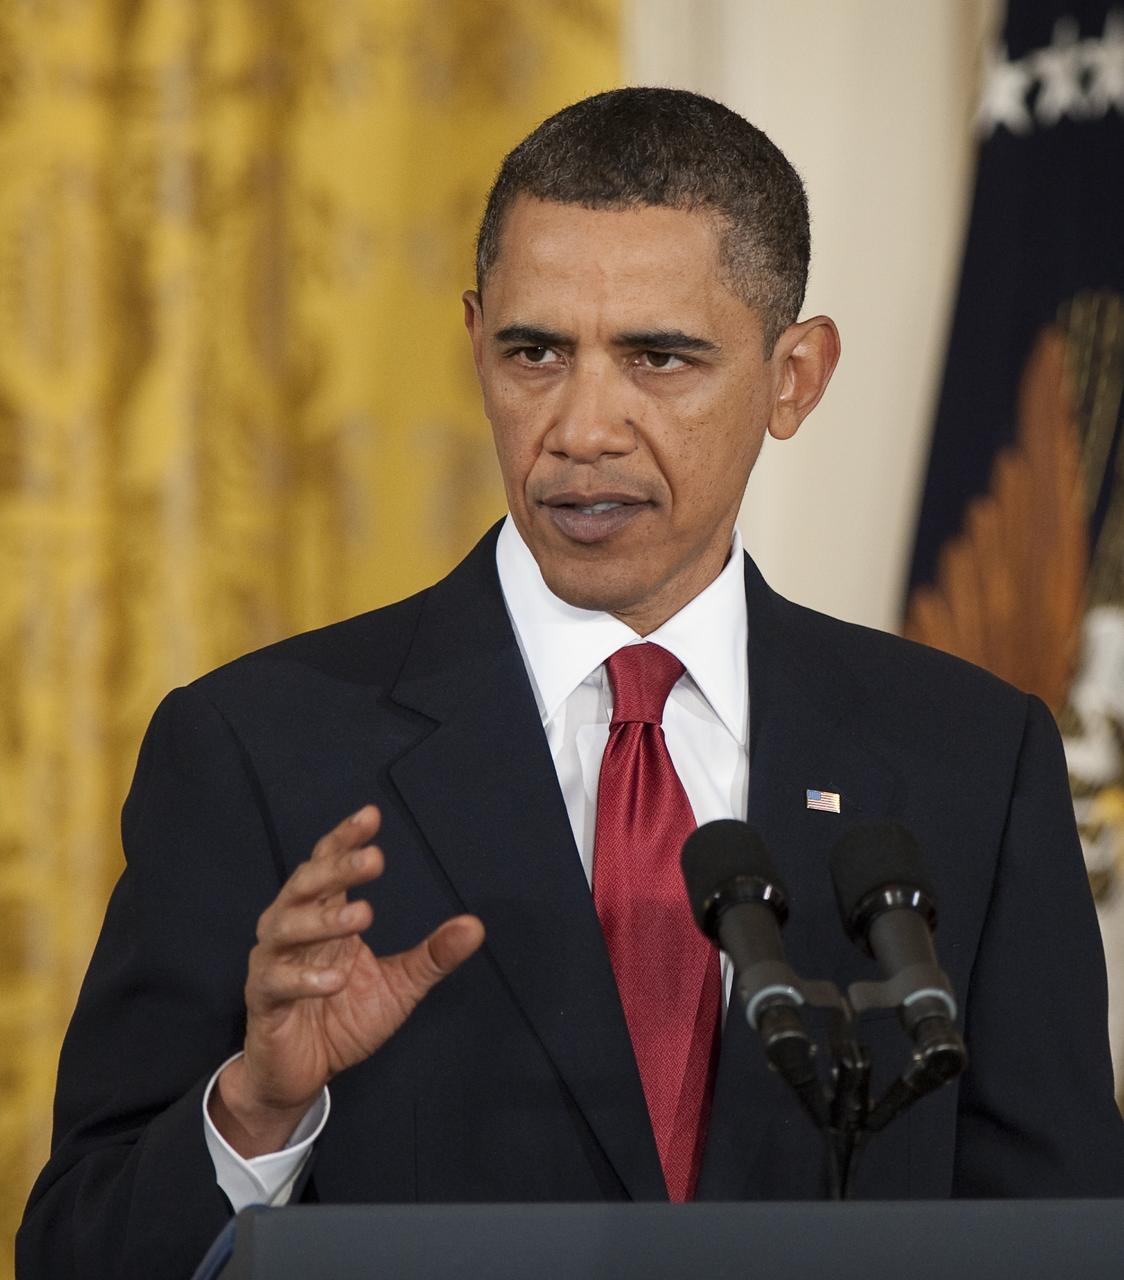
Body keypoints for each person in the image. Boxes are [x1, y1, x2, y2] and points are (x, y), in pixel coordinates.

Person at [17, 87, 1124, 1280]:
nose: (582, 427)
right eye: (534, 352)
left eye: (657, 357)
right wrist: (254, 1110)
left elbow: (1062, 1235)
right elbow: (80, 1252)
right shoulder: (259, 749)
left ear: (793, 376)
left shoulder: (968, 757)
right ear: (474, 340)